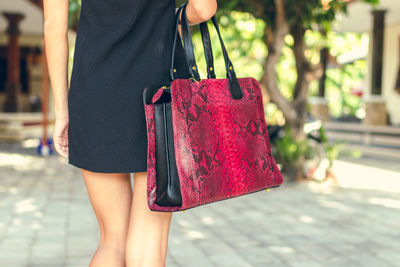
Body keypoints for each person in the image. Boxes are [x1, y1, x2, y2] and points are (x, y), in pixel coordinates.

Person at [42, 0, 217, 266]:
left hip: (95, 92)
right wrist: (174, 19)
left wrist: (63, 112)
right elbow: (203, 8)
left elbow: (54, 27)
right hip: (160, 95)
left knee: (112, 242)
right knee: (147, 243)